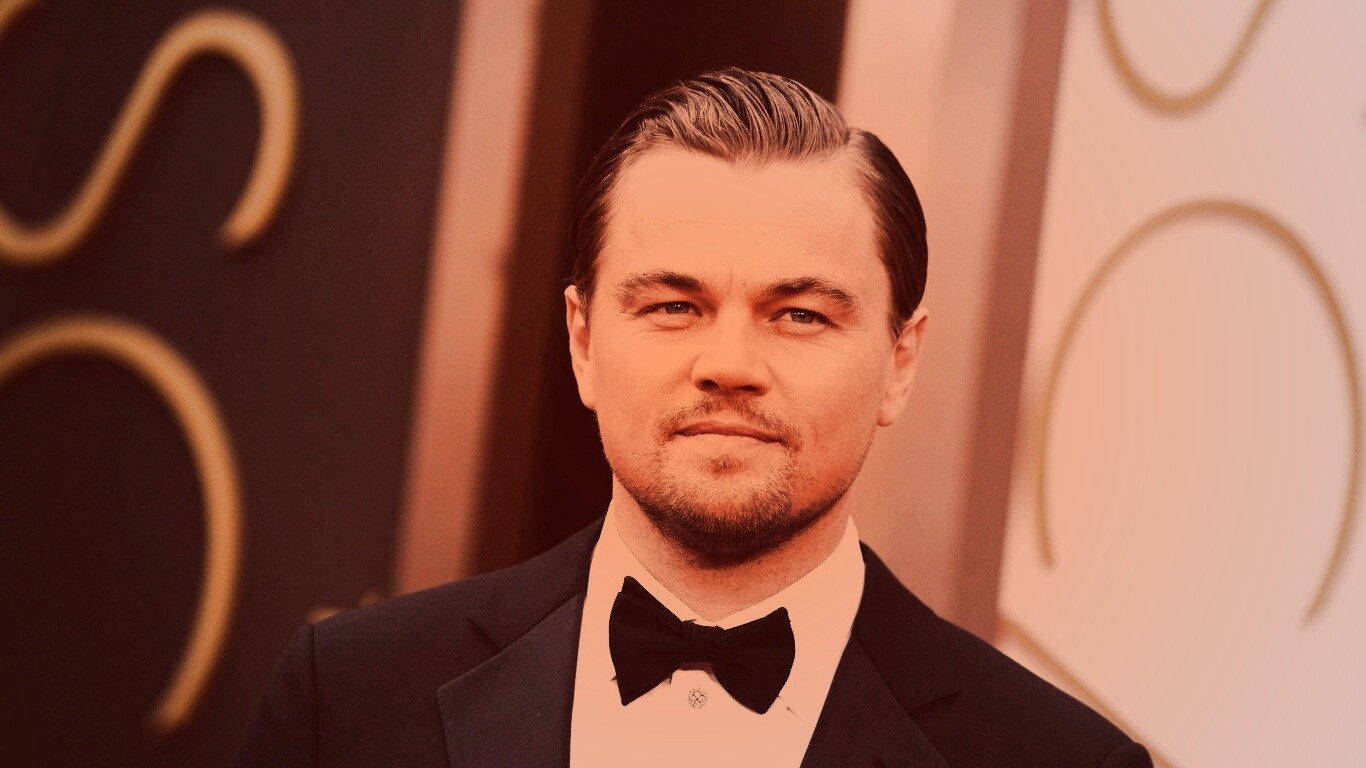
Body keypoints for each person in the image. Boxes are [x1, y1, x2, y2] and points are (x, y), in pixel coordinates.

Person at [234, 68, 1152, 767]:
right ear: (583, 341)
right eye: (673, 306)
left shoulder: (1059, 761)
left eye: (800, 315)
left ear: (899, 363)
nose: (730, 366)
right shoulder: (345, 698)